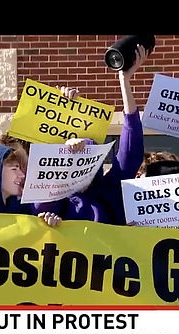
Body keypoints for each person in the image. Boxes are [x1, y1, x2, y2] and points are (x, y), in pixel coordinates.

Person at [30, 44, 149, 225]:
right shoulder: (54, 201)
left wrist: (124, 80)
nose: (79, 168)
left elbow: (131, 152)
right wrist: (62, 109)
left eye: (85, 157)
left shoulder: (108, 190)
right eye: (73, 160)